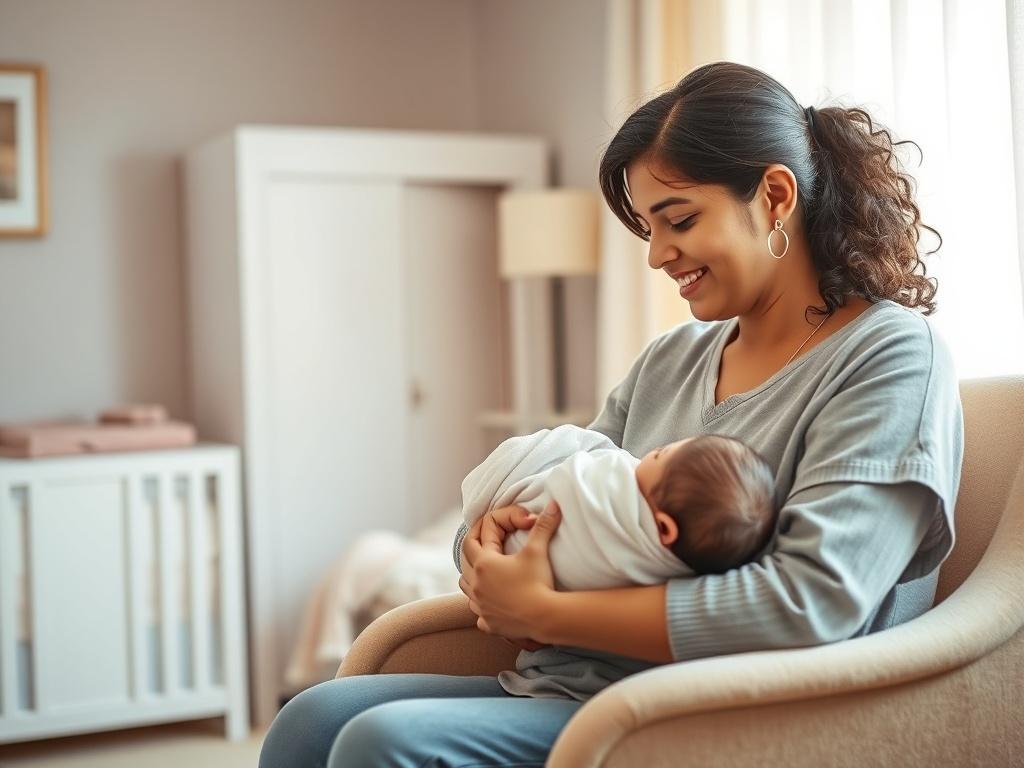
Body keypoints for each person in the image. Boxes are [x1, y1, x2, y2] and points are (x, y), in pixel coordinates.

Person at [258, 60, 964, 767]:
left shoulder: (889, 354)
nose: (657, 255)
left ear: (775, 196)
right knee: (313, 719)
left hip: (720, 714)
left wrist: (547, 611)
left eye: (679, 220)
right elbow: (548, 495)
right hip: (571, 686)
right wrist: (484, 551)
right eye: (648, 228)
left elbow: (814, 600)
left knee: (381, 745)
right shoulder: (671, 360)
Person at [462, 424, 777, 701]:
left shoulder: (612, 493)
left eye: (660, 454)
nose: (652, 451)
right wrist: (479, 558)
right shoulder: (695, 554)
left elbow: (575, 460)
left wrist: (526, 606)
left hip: (594, 702)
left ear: (664, 528)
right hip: (533, 672)